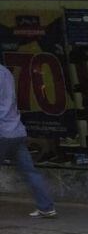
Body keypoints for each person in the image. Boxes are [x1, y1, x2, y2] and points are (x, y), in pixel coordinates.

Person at [0, 64, 56, 218]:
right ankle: (46, 207)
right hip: (16, 130)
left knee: (30, 172)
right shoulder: (5, 72)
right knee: (30, 172)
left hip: (2, 131)